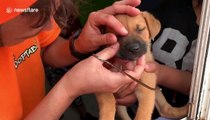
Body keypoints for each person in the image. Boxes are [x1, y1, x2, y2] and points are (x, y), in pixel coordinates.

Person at [0, 0, 147, 119]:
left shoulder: (23, 17)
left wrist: (79, 45)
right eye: (40, 19)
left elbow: (43, 50)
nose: (50, 26)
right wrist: (68, 89)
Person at [115, 0, 202, 119]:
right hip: (132, 104)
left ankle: (165, 109)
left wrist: (156, 73)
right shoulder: (169, 7)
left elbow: (206, 87)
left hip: (185, 110)